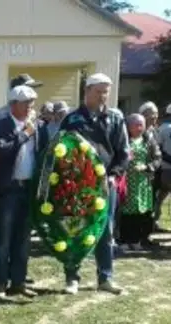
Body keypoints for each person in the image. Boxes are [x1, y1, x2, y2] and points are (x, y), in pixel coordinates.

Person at [59, 73, 129, 295]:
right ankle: (72, 277)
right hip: (78, 185)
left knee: (105, 231)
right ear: (87, 91)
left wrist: (113, 174)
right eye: (98, 91)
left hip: (106, 184)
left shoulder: (116, 119)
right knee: (75, 230)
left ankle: (105, 277)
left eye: (106, 92)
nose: (102, 96)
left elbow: (123, 153)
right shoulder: (72, 120)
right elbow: (62, 152)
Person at [0, 85, 49, 299]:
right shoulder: (0, 125)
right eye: (26, 103)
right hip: (8, 189)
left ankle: (19, 282)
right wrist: (24, 134)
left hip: (29, 188)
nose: (30, 108)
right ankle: (0, 283)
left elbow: (42, 154)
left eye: (32, 103)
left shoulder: (38, 126)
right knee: (3, 239)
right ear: (13, 104)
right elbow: (3, 151)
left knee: (23, 240)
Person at [118, 114, 161, 251]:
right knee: (126, 211)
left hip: (143, 182)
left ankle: (138, 239)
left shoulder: (149, 141)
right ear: (128, 126)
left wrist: (148, 167)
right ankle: (125, 240)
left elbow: (158, 159)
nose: (139, 128)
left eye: (141, 125)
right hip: (127, 181)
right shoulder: (123, 140)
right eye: (135, 125)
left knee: (142, 210)